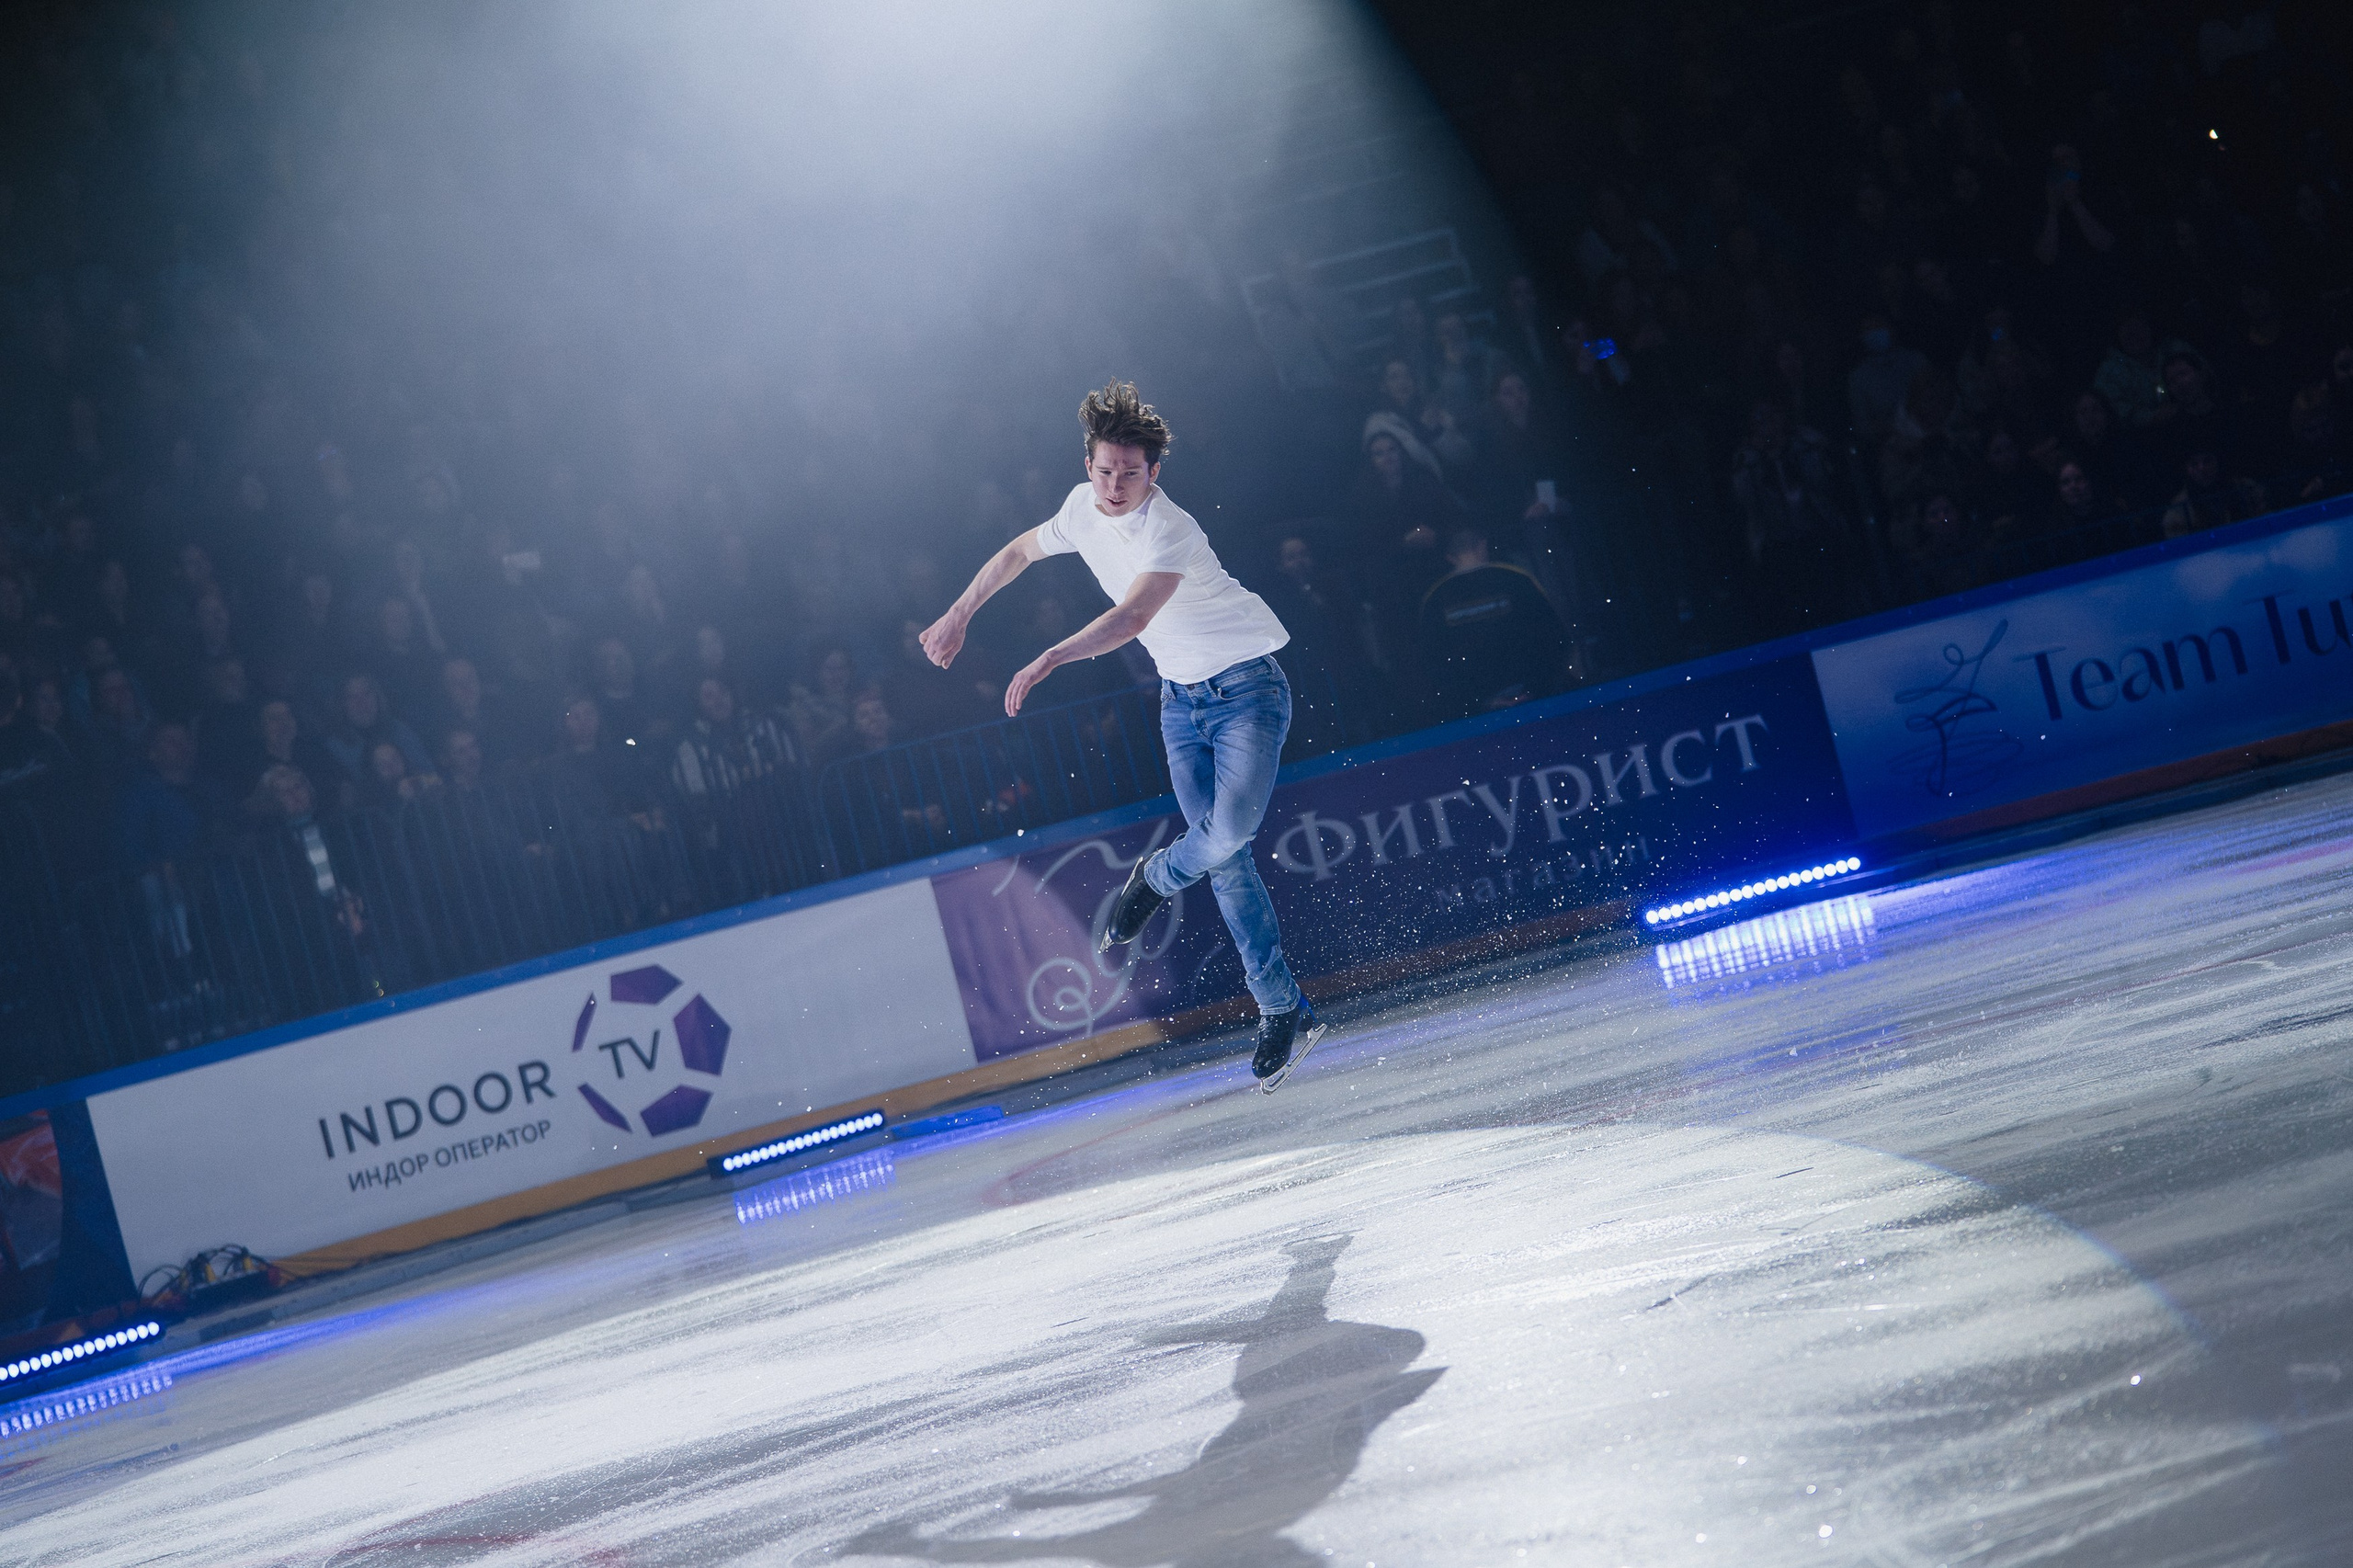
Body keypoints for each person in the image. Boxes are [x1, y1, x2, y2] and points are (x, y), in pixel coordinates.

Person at [921, 381, 1324, 1088]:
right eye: (1104, 470)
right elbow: (1017, 553)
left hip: (1247, 694)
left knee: (1227, 832)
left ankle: (1154, 878)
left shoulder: (1172, 529)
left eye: (1129, 473)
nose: (1113, 486)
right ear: (1088, 464)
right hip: (1180, 704)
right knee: (1226, 861)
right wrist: (959, 613)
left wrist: (1050, 656)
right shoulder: (1081, 508)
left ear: (1154, 473)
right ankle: (1282, 1009)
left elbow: (1131, 619)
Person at [1415, 527, 1574, 718]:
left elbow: (1433, 662)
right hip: (1537, 696)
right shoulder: (1517, 578)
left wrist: (1479, 702)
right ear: (1482, 545)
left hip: (1480, 711)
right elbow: (1555, 633)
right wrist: (1540, 688)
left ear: (1450, 557)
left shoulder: (1435, 598)